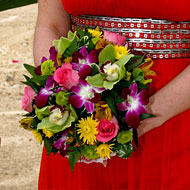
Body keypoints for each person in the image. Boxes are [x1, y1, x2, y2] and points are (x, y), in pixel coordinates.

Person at [34, 0, 190, 189]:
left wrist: (148, 113)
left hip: (177, 119)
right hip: (83, 121)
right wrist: (60, 96)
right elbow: (50, 24)